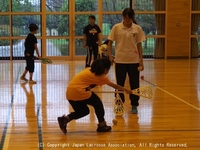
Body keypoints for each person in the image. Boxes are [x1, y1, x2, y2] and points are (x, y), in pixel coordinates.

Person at [57, 58, 132, 134]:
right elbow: (115, 86)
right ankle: (102, 125)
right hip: (80, 92)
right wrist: (126, 90)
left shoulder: (88, 70)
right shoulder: (101, 76)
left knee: (84, 111)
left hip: (70, 94)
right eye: (108, 69)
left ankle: (65, 119)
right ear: (105, 69)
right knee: (98, 103)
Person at [107, 8, 146, 114]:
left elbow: (139, 45)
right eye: (125, 17)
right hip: (120, 60)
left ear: (132, 17)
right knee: (119, 84)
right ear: (123, 17)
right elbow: (109, 43)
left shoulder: (137, 29)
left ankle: (134, 105)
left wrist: (141, 60)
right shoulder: (116, 27)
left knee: (135, 84)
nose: (127, 19)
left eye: (129, 18)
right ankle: (119, 104)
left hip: (133, 61)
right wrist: (110, 56)